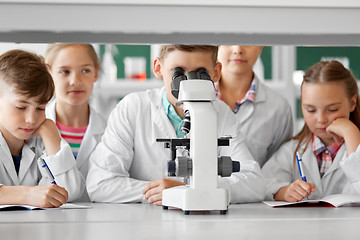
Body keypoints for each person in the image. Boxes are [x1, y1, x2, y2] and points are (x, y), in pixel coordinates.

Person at [87, 45, 265, 205]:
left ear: (216, 72)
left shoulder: (221, 113)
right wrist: (165, 193)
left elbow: (254, 183)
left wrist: (184, 188)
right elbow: (100, 183)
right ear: (158, 68)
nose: (188, 82)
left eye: (200, 72)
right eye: (178, 72)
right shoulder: (133, 108)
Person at [262, 60, 360, 202]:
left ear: (352, 103)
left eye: (332, 109)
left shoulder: (354, 138)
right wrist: (283, 192)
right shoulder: (291, 150)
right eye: (310, 110)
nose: (321, 119)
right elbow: (263, 183)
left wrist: (352, 134)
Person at [0, 49, 84, 207]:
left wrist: (50, 133)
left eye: (40, 109)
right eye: (20, 107)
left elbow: (71, 191)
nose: (31, 119)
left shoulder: (40, 141)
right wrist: (27, 195)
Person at [45, 44, 106, 202]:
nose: (75, 81)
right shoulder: (32, 127)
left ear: (96, 73)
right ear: (48, 73)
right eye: (64, 71)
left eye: (85, 70)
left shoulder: (110, 130)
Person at [217, 45, 293, 167]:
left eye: (247, 42)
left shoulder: (279, 108)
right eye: (228, 42)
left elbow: (277, 172)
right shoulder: (194, 101)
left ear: (260, 47)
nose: (237, 49)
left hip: (254, 186)